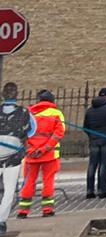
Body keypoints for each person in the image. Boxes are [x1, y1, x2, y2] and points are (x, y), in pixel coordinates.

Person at [16, 90, 66, 218]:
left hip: (31, 155)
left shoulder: (28, 114)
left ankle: (23, 210)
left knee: (29, 181)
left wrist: (30, 150)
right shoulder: (56, 113)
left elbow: (21, 134)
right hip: (49, 155)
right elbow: (58, 134)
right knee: (48, 181)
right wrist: (45, 149)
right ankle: (47, 209)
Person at [0, 82, 36, 235]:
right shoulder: (24, 112)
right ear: (17, 95)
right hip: (13, 155)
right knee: (9, 189)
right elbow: (32, 131)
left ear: (2, 95)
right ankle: (1, 221)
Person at [82, 87, 106, 198]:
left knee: (92, 164)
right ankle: (102, 189)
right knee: (104, 164)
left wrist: (92, 136)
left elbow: (85, 127)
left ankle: (90, 190)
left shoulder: (90, 110)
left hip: (94, 140)